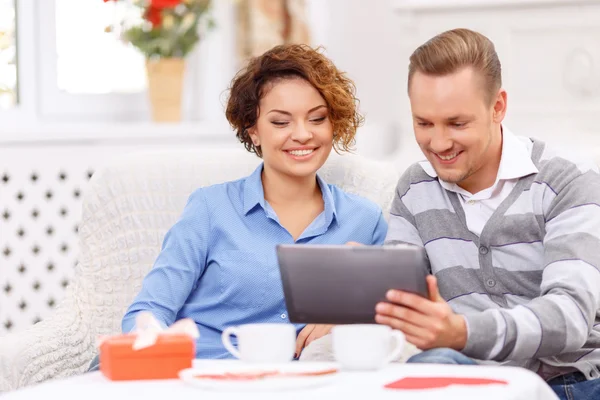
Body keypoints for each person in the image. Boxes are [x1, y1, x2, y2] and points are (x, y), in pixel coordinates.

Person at [87, 43, 387, 371]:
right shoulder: (210, 208)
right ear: (253, 131)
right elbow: (148, 311)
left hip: (297, 384)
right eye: (281, 122)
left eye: (317, 118)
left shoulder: (364, 220)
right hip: (199, 374)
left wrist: (350, 317)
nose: (302, 134)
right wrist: (153, 352)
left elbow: (393, 311)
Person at [374, 28, 600, 399]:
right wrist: (358, 294)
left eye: (456, 123)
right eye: (424, 123)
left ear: (498, 107)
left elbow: (570, 316)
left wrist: (461, 331)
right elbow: (403, 298)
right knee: (425, 370)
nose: (439, 143)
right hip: (477, 382)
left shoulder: (566, 179)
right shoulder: (416, 189)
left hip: (575, 382)